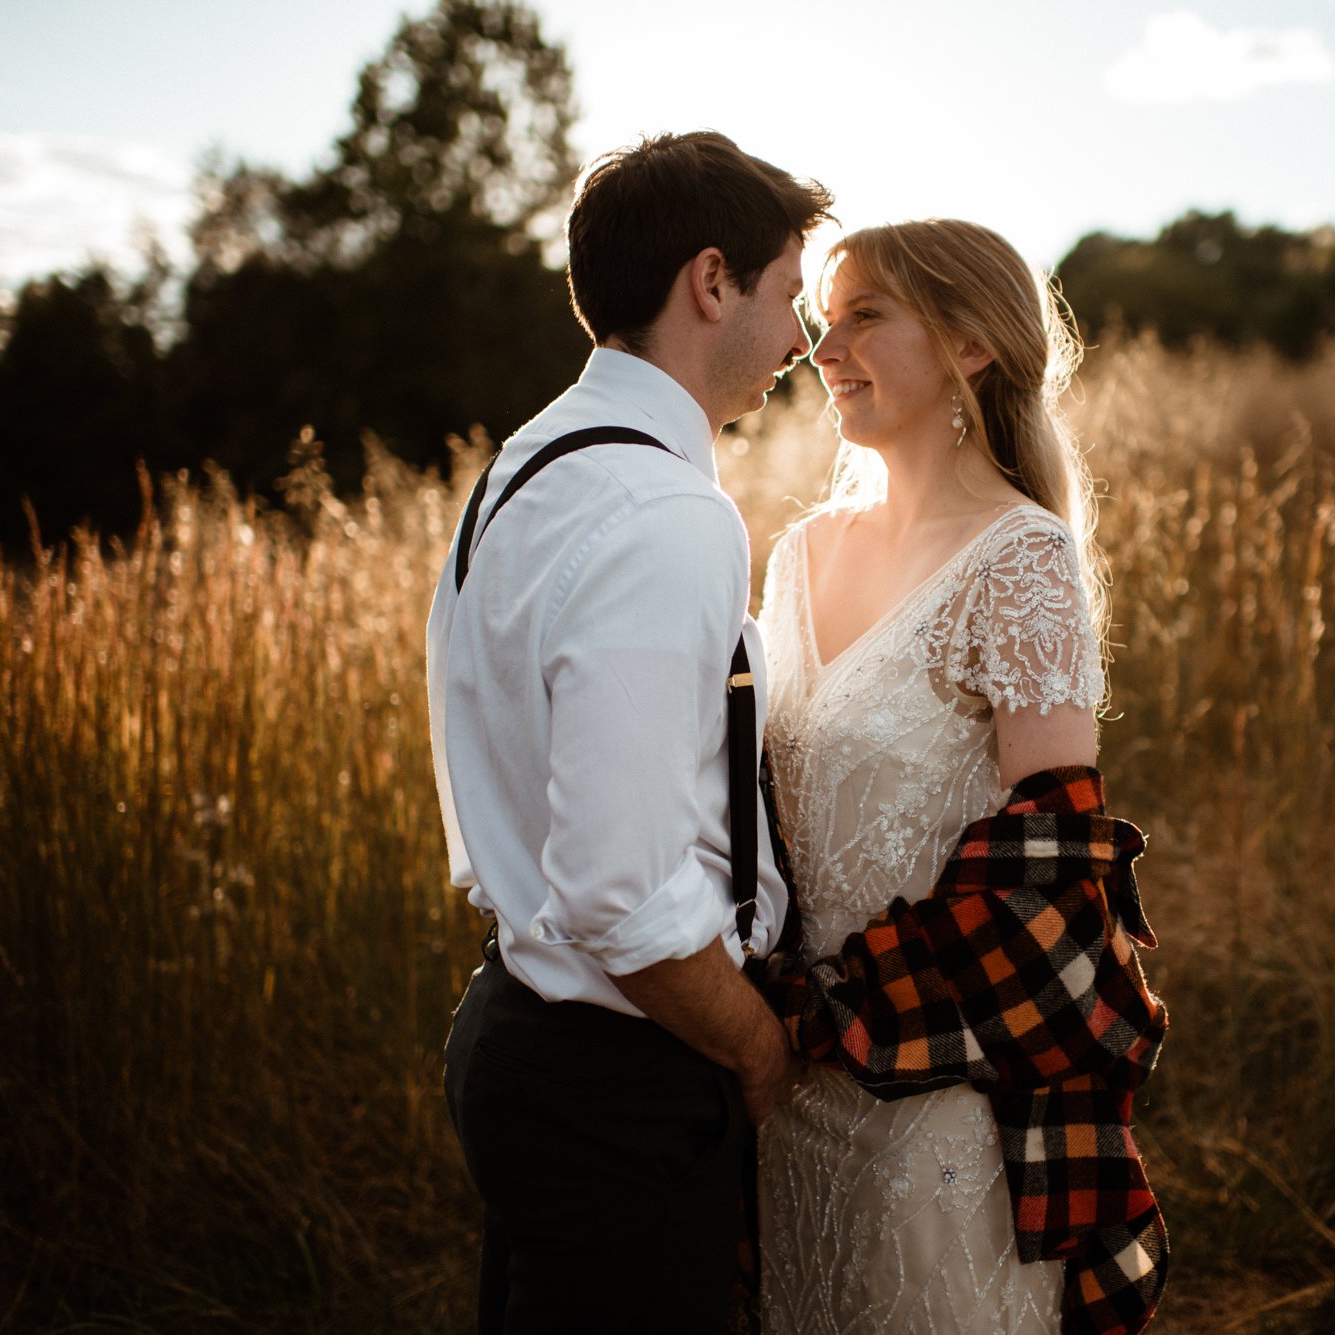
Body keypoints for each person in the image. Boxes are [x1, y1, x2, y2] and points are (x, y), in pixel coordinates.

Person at [426, 131, 832, 1334]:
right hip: (620, 1080)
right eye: (787, 297)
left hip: (522, 1030)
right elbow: (617, 893)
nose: (800, 342)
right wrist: (755, 1051)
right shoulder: (665, 511)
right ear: (711, 282)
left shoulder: (526, 462)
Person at [752, 220, 1167, 1334]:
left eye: (865, 317)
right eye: (821, 321)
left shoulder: (1020, 557)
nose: (824, 348)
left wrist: (837, 1014)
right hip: (785, 1098)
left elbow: (1047, 874)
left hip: (936, 1099)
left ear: (971, 343)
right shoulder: (795, 556)